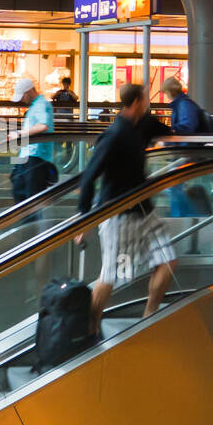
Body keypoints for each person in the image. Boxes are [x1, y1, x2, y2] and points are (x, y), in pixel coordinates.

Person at [75, 84, 178, 333]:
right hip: (118, 214)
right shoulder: (114, 134)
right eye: (145, 99)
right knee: (111, 275)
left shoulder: (141, 125)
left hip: (144, 211)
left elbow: (171, 132)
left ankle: (148, 316)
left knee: (168, 259)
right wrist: (83, 221)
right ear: (136, 102)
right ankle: (88, 329)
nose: (148, 104)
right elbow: (89, 177)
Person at [162, 76, 213, 218]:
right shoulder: (183, 104)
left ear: (169, 92)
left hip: (186, 154)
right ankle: (183, 215)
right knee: (174, 186)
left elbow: (187, 127)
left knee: (174, 186)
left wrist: (170, 135)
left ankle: (182, 216)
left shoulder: (184, 105)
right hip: (185, 153)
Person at [10, 77, 56, 212]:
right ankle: (27, 226)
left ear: (29, 91)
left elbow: (43, 126)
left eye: (23, 96)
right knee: (20, 192)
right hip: (29, 156)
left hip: (36, 157)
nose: (22, 100)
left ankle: (30, 228)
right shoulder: (35, 106)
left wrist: (19, 134)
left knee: (29, 198)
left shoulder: (42, 104)